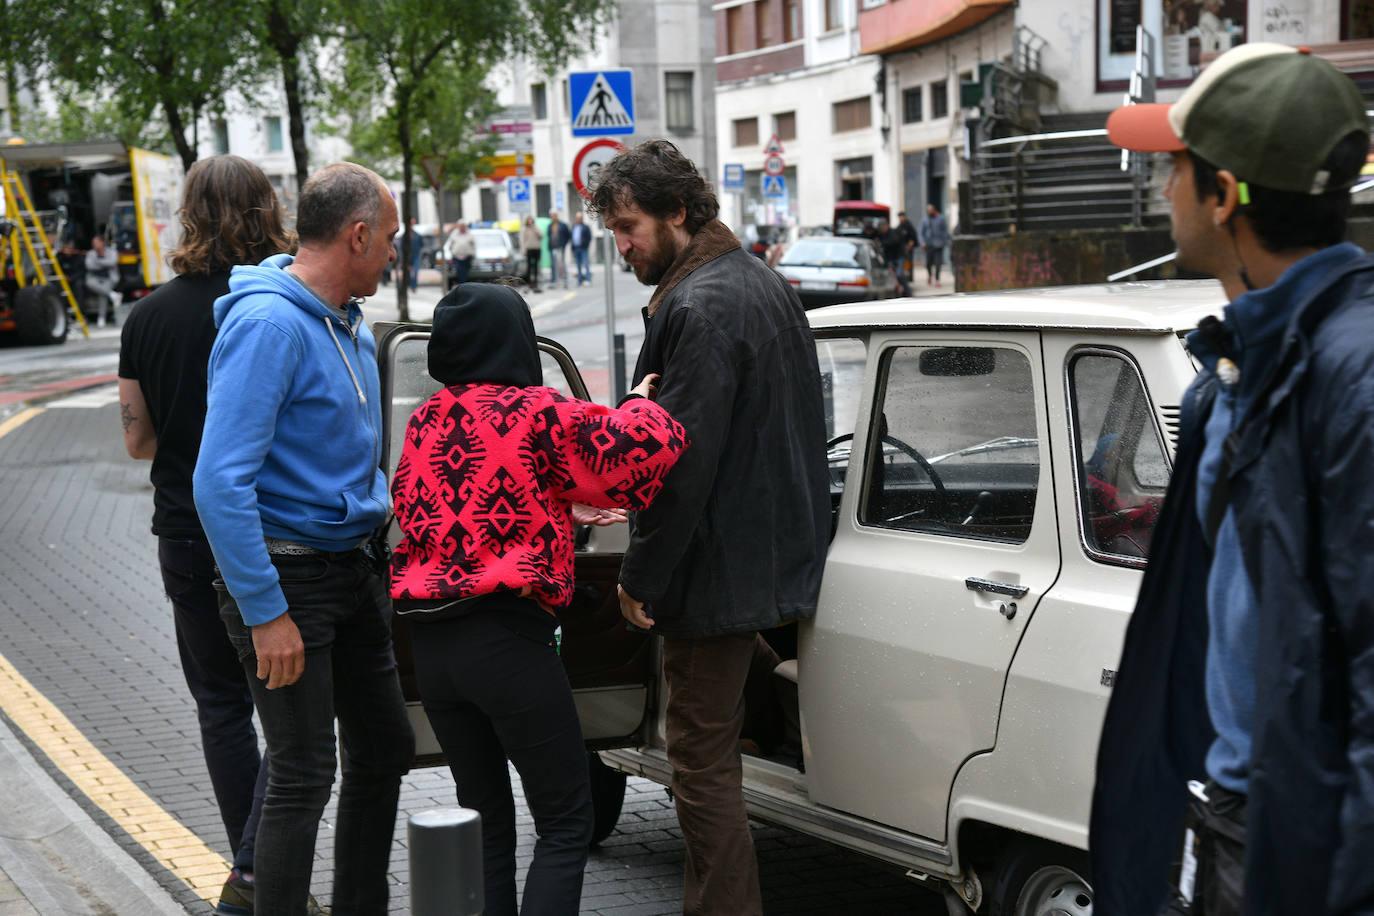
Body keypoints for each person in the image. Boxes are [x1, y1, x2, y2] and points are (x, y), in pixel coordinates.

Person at [1091, 43, 1374, 916]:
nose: (1161, 187)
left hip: (1308, 852)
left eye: (1175, 167)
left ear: (1224, 195)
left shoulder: (1354, 378)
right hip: (1232, 823)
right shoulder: (1237, 374)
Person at [587, 139, 830, 916]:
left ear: (680, 214)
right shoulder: (758, 280)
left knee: (698, 759)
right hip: (772, 554)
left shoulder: (698, 307)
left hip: (715, 567)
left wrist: (637, 577)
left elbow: (678, 469)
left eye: (629, 228)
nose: (622, 247)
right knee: (719, 715)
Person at [390, 283, 688, 915]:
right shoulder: (537, 410)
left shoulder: (426, 420)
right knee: (564, 820)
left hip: (433, 650)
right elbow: (632, 454)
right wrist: (642, 403)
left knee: (487, 819)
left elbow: (461, 507)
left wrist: (559, 507)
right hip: (508, 643)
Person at [193, 162, 416, 916]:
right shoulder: (269, 325)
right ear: (356, 235)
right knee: (303, 772)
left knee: (384, 747)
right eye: (389, 238)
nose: (394, 252)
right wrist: (264, 611)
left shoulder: (346, 320)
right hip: (290, 582)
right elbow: (219, 482)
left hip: (351, 572)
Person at [118, 155, 306, 916]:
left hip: (184, 535)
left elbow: (137, 441)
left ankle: (253, 872)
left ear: (189, 214)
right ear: (267, 211)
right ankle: (260, 871)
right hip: (270, 533)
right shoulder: (280, 303)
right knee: (294, 716)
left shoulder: (149, 316)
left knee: (221, 707)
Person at [85, 234, 121, 327]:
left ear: (102, 242)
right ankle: (112, 295)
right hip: (95, 279)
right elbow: (89, 266)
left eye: (96, 243)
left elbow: (112, 262)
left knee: (102, 293)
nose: (95, 245)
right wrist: (105, 263)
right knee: (90, 283)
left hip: (109, 278)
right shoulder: (91, 253)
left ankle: (101, 318)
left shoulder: (112, 252)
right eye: (93, 243)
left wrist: (98, 262)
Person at [917, 203, 949, 287]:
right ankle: (930, 275)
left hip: (939, 245)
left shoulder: (941, 218)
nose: (929, 212)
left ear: (934, 210)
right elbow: (920, 233)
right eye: (928, 211)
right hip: (928, 245)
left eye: (931, 210)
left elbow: (945, 231)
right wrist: (922, 243)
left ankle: (937, 280)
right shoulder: (925, 220)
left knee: (938, 263)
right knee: (928, 263)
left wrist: (945, 241)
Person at [880, 220, 910, 296]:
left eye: (884, 227)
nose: (883, 229)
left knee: (899, 274)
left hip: (899, 256)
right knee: (892, 276)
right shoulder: (882, 235)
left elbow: (894, 241)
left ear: (887, 226)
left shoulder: (893, 232)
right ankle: (899, 292)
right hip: (891, 258)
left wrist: (883, 243)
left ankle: (908, 292)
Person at [445, 220, 475, 289]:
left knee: (465, 271)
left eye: (463, 226)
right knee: (459, 270)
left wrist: (472, 253)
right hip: (457, 256)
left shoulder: (469, 234)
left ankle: (464, 285)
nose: (462, 227)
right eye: (461, 226)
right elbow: (450, 245)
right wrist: (453, 252)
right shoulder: (454, 234)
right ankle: (462, 285)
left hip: (467, 256)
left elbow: (473, 245)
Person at [546, 210, 571, 289]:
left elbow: (568, 235)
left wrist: (564, 244)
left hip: (560, 247)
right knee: (553, 265)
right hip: (553, 247)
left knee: (561, 265)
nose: (553, 217)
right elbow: (548, 236)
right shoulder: (550, 225)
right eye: (552, 216)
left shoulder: (563, 225)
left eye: (554, 215)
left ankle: (564, 281)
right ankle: (554, 281)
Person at [521, 215, 543, 293]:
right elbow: (523, 241)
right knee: (529, 267)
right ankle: (529, 282)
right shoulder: (525, 229)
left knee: (536, 266)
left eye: (531, 220)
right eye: (529, 220)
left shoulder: (536, 228)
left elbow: (541, 236)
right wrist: (523, 250)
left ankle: (536, 281)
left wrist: (534, 228)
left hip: (536, 249)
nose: (530, 222)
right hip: (529, 249)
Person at [570, 212, 593, 286]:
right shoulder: (574, 227)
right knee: (578, 265)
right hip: (576, 248)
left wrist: (586, 245)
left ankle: (588, 279)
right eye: (577, 218)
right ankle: (579, 280)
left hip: (583, 248)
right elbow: (572, 238)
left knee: (586, 264)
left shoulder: (585, 227)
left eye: (580, 218)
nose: (578, 219)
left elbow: (589, 237)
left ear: (582, 219)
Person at [407, 217, 424, 292]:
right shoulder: (405, 235)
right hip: (407, 257)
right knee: (410, 272)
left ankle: (414, 286)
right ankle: (410, 284)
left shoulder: (417, 235)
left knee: (415, 271)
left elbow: (421, 244)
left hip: (416, 256)